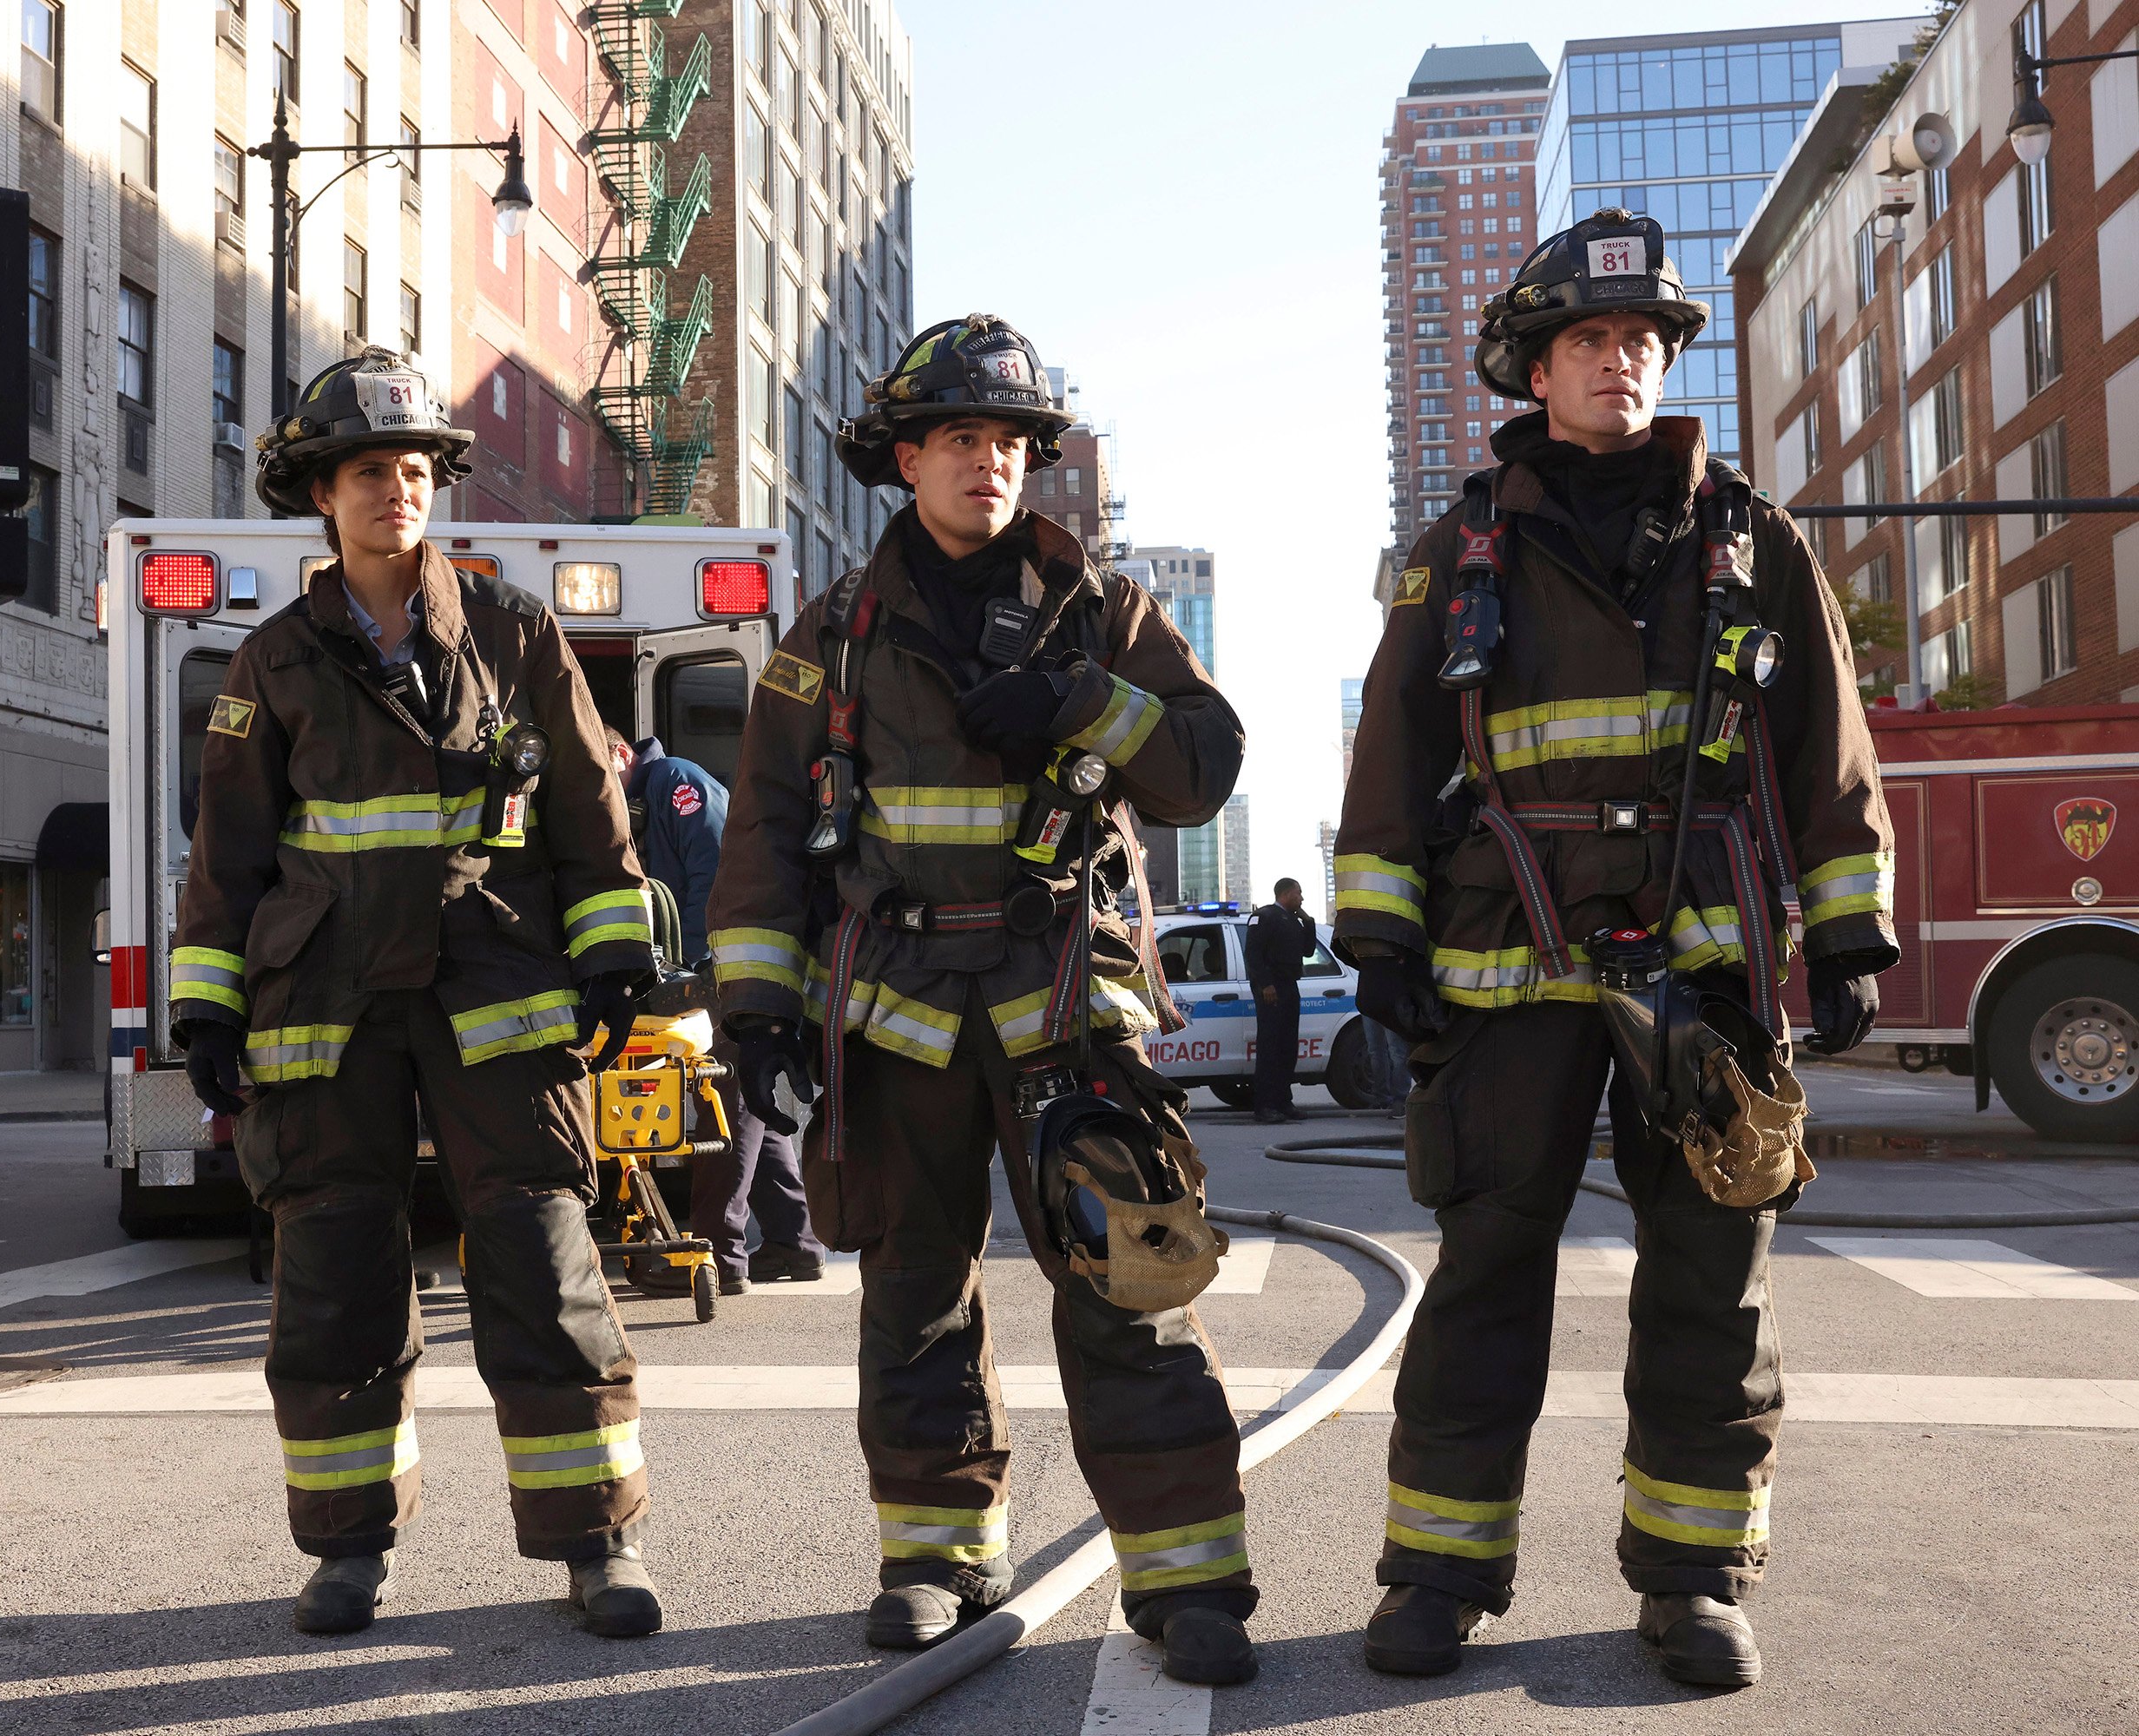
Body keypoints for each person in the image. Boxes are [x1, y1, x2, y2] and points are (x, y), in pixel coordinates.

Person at [1335, 210, 1894, 1689]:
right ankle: (1439, 1574)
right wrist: (1374, 935)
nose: (1620, 361)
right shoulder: (1456, 552)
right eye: (1590, 339)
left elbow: (1825, 754)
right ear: (1534, 367)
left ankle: (1696, 1579)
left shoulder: (1751, 541)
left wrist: (1847, 937)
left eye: (1642, 338)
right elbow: (1390, 754)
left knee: (1714, 1275)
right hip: (1506, 962)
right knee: (1483, 1270)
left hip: (1706, 965)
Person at [707, 314, 1259, 1687]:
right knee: (915, 1295)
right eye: (961, 438)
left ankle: (1188, 1579)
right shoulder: (829, 636)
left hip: (1069, 1006)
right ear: (905, 458)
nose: (990, 464)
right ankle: (936, 1558)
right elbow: (768, 832)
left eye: (1011, 442)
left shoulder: (1103, 611)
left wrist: (1083, 701)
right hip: (899, 1015)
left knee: (1130, 1283)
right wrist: (762, 1018)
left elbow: (1204, 762)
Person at [168, 349, 668, 1641]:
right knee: (333, 1269)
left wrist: (613, 946)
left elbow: (585, 807)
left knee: (542, 1255)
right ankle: (346, 1552)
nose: (394, 490)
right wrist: (209, 1005)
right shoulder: (270, 662)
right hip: (325, 995)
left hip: (493, 973)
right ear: (321, 498)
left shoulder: (514, 630)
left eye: (411, 468)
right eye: (365, 473)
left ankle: (593, 1545)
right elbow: (225, 853)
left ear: (435, 485)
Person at [605, 730, 829, 1292]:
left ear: (620, 754)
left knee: (724, 1102)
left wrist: (687, 967)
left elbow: (715, 871)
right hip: (714, 966)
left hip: (723, 966)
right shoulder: (642, 801)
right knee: (746, 1102)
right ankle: (794, 1245)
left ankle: (719, 1256)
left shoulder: (676, 783)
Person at [1242, 878, 1316, 1124]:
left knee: (1287, 1047)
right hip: (1270, 988)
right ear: (1285, 893)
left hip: (1289, 985)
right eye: (1299, 893)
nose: (1302, 898)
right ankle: (1265, 1105)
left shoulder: (1294, 920)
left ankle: (1284, 1101)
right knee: (1270, 1047)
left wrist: (1308, 921)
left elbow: (1307, 951)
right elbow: (1253, 954)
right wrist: (1266, 984)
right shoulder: (1264, 917)